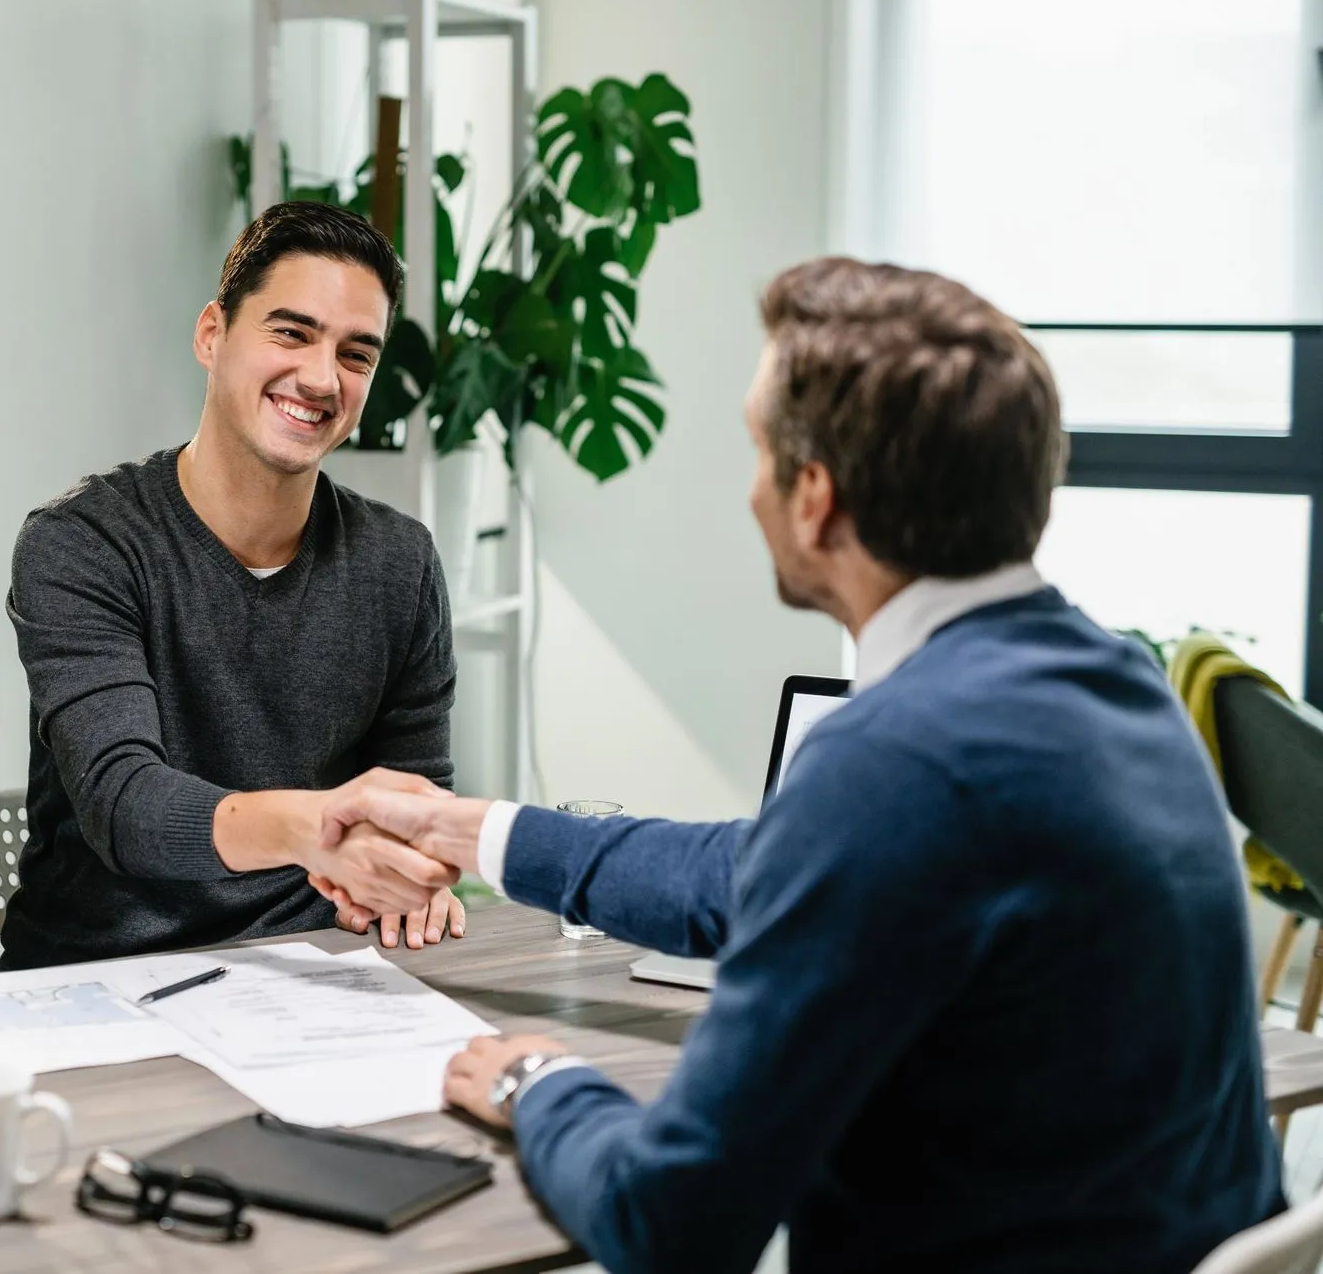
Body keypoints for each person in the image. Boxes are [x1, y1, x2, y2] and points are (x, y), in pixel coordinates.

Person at [314, 258, 1282, 1272]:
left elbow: (670, 1223)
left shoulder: (894, 762)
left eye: (756, 450)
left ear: (813, 496)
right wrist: (468, 827)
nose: (750, 489)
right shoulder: (1121, 685)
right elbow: (764, 870)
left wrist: (540, 1082)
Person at [0, 201, 463, 969]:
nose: (320, 378)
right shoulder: (83, 544)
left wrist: (418, 869)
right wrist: (322, 828)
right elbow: (128, 806)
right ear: (212, 333)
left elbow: (414, 802)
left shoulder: (399, 562)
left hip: (319, 972)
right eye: (291, 332)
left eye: (357, 354)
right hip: (102, 983)